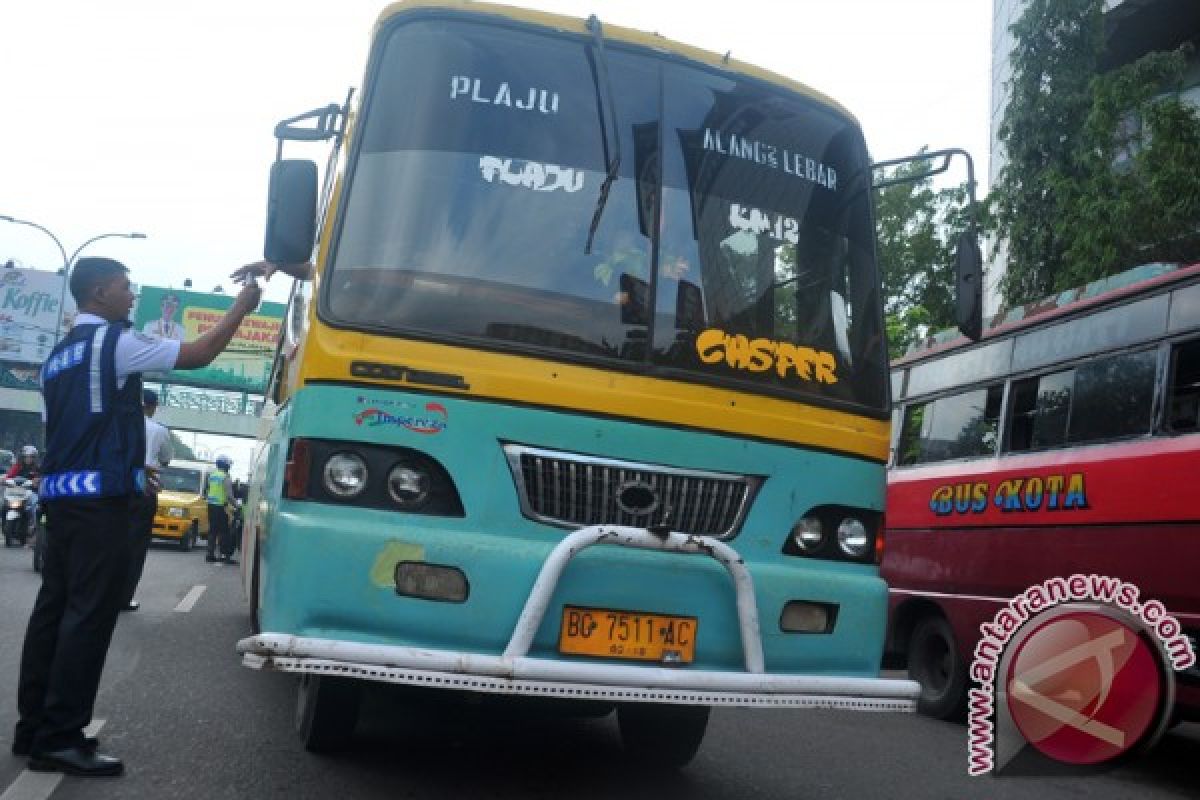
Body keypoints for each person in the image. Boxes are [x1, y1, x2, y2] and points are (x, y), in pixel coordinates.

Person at [13, 256, 262, 777]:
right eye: (127, 288)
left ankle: (32, 727)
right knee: (89, 616)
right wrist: (242, 306)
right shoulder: (114, 343)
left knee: (53, 612)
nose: (133, 297)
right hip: (100, 508)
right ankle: (61, 738)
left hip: (62, 501)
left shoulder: (56, 358)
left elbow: (68, 432)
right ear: (101, 291)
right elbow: (200, 353)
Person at [121, 389, 173, 612]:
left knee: (110, 541)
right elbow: (165, 459)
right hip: (143, 490)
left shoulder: (118, 424)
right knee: (136, 546)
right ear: (153, 407)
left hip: (116, 488)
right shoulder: (160, 431)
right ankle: (124, 598)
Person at [204, 455, 237, 565]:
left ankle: (210, 554)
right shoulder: (225, 477)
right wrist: (237, 506)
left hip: (211, 506)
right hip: (220, 507)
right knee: (224, 531)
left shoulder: (212, 475)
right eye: (228, 465)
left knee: (212, 530)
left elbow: (207, 490)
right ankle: (224, 555)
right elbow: (229, 495)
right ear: (225, 465)